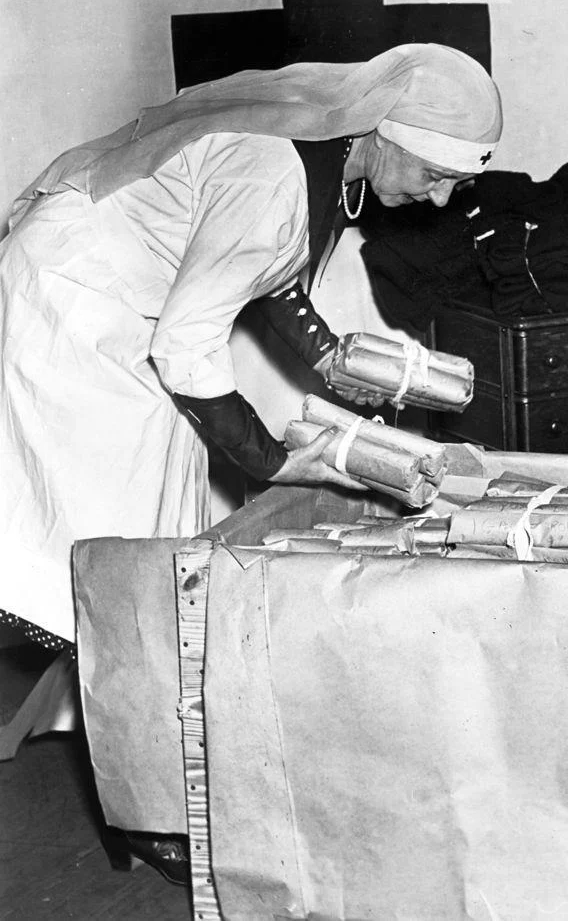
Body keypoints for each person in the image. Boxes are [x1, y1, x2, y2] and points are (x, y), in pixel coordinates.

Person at [0, 42, 503, 648]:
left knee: (157, 514)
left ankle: (122, 682)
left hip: (124, 303)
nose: (441, 197)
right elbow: (189, 344)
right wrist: (275, 460)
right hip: (75, 298)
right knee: (103, 526)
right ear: (386, 135)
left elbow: (264, 262)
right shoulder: (274, 173)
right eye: (435, 174)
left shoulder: (321, 143)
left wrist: (322, 352)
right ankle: (113, 680)